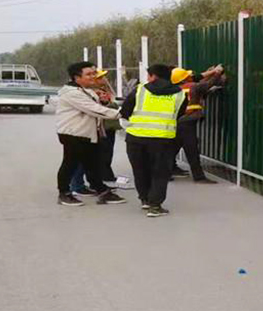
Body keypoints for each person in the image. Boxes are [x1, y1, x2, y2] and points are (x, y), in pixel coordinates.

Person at [55, 62, 127, 207]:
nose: (93, 76)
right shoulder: (72, 93)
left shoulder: (85, 90)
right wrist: (122, 114)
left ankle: (101, 191)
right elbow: (94, 109)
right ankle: (64, 193)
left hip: (88, 134)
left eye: (94, 73)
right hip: (74, 134)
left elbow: (97, 106)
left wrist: (104, 102)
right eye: (89, 74)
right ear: (77, 77)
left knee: (93, 164)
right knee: (70, 164)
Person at [120, 63, 187, 217]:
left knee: (140, 170)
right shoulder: (180, 94)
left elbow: (125, 111)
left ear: (153, 76)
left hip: (136, 138)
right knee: (160, 173)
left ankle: (144, 199)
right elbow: (179, 114)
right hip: (163, 139)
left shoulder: (139, 90)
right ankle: (155, 206)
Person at [69, 70, 131, 195]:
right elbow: (97, 110)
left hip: (102, 128)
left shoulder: (100, 91)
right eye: (101, 77)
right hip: (93, 129)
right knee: (84, 159)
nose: (104, 79)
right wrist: (117, 112)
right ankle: (77, 186)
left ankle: (93, 184)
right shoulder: (87, 93)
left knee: (94, 158)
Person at [169, 66, 221, 183]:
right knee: (191, 149)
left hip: (177, 121)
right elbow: (207, 85)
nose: (190, 76)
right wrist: (217, 73)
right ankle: (199, 177)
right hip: (187, 122)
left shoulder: (175, 89)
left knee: (174, 147)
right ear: (184, 79)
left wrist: (209, 73)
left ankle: (168, 170)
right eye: (188, 76)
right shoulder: (192, 86)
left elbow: (200, 86)